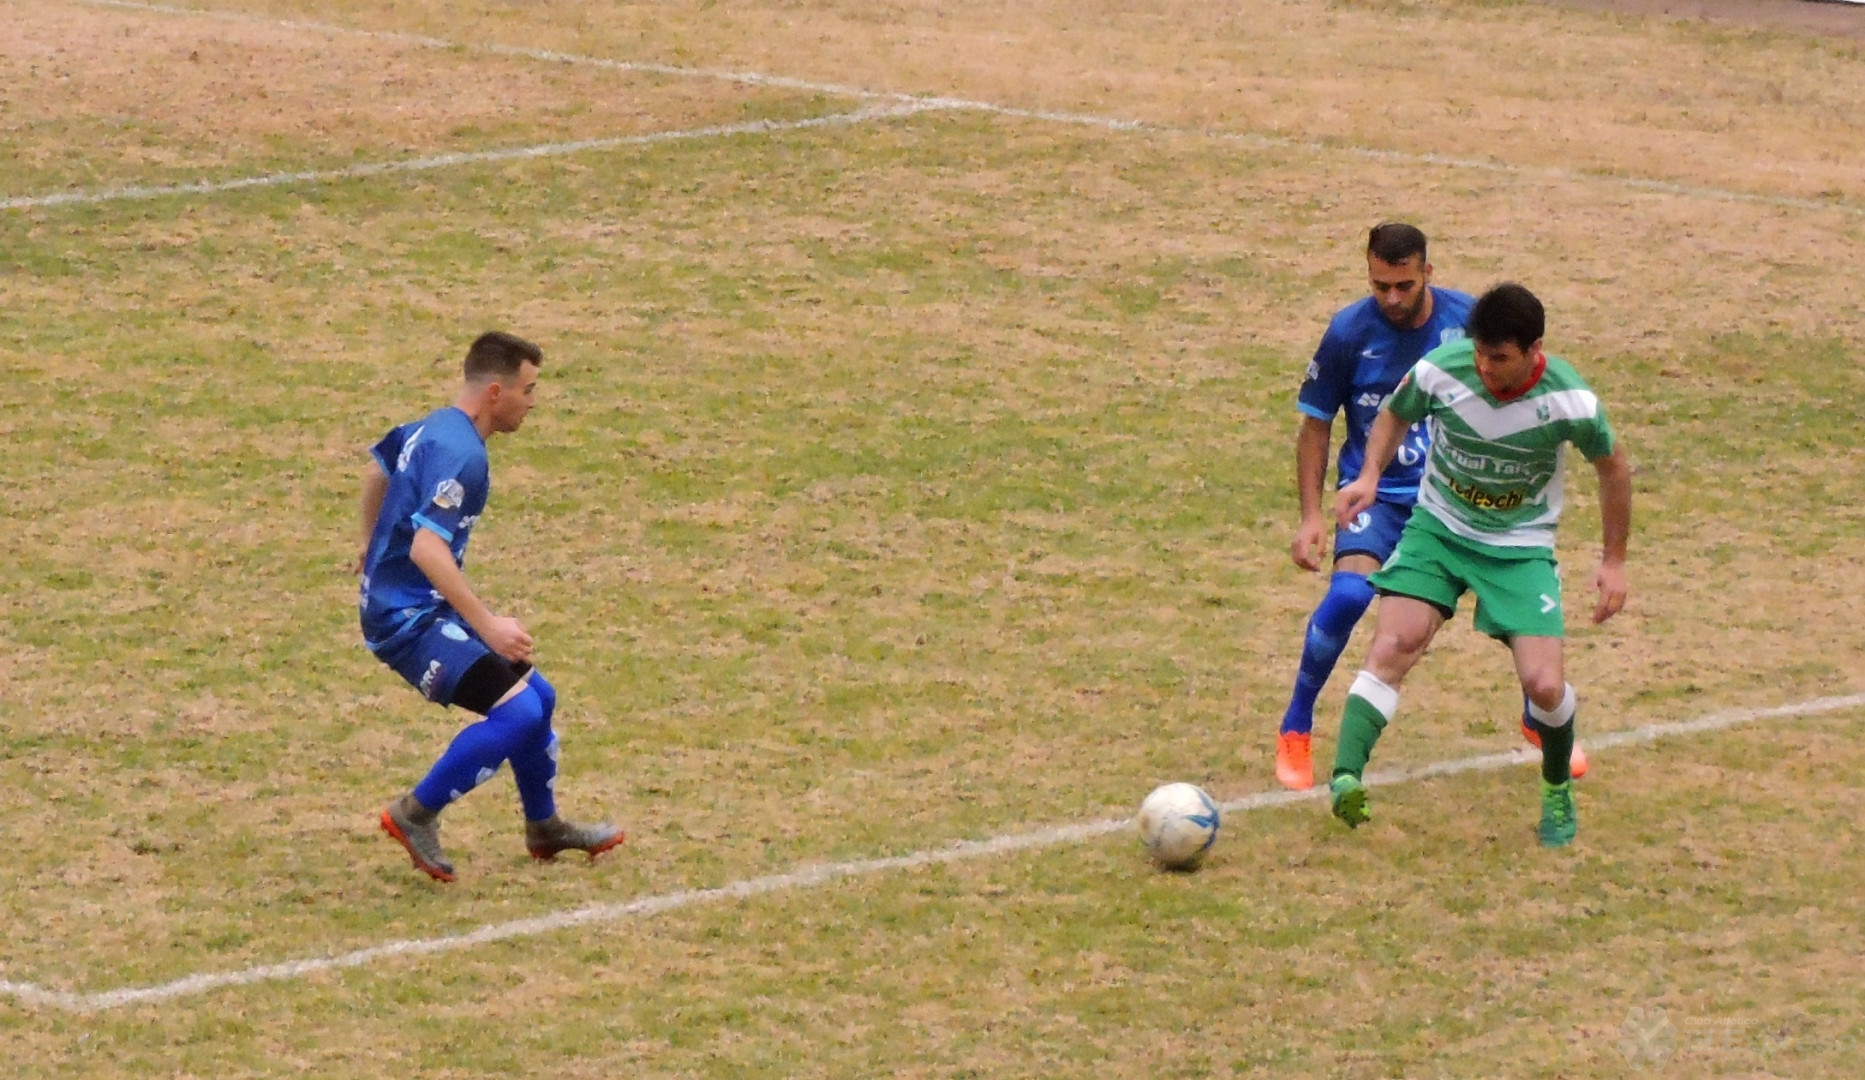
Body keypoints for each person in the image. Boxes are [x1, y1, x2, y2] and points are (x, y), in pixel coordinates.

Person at [1325, 283, 1631, 847]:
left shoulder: (1571, 401)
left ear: (1535, 350)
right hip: (1438, 531)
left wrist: (1613, 560)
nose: (1486, 368)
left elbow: (1613, 468)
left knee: (1544, 685)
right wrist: (1369, 476)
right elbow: (1395, 413)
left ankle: (1556, 786)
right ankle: (1345, 777)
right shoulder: (1444, 370)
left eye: (1500, 358)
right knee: (1394, 643)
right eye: (1480, 354)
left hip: (1519, 547)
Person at [356, 331, 623, 882]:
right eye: (529, 389)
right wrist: (490, 626)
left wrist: (368, 545)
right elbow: (427, 549)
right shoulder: (464, 456)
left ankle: (544, 827)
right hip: (404, 619)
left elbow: (379, 468)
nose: (533, 402)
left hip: (423, 604)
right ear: (496, 392)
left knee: (539, 699)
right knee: (518, 712)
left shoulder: (433, 427)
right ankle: (415, 813)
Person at [1275, 223, 1477, 791]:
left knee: (1513, 607)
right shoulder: (1348, 332)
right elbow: (1316, 425)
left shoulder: (1468, 321)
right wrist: (1311, 516)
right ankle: (1296, 724)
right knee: (1348, 595)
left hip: (1457, 501)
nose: (1391, 297)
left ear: (1427, 272)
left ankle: (1542, 715)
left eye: (1404, 285)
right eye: (1379, 285)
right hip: (1377, 497)